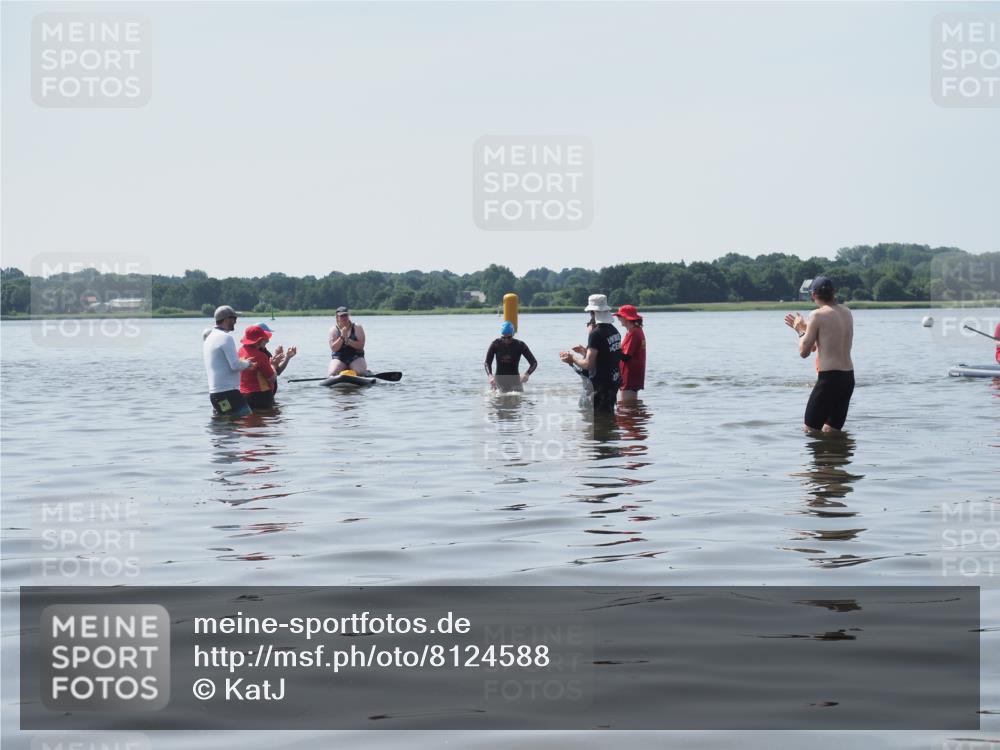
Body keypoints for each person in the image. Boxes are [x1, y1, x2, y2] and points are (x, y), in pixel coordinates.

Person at [784, 276, 855, 433]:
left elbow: (804, 352)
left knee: (810, 431)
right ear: (834, 292)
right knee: (832, 432)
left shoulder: (817, 315)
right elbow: (825, 337)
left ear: (813, 295)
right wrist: (806, 327)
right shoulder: (847, 312)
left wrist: (799, 331)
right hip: (848, 379)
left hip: (829, 380)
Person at [560, 294, 622, 413]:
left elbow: (588, 364)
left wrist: (572, 358)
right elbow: (606, 355)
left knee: (594, 425)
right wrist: (585, 351)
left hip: (599, 387)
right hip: (612, 384)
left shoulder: (596, 334)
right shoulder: (614, 331)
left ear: (593, 312)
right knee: (608, 419)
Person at [203, 305, 256, 417]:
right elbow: (235, 365)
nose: (235, 322)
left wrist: (244, 363)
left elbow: (224, 363)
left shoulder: (210, 337)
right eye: (234, 319)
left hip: (216, 395)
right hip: (229, 394)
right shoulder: (225, 337)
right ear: (227, 319)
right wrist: (248, 364)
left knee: (227, 427)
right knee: (246, 420)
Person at [485, 321, 538, 392]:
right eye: (504, 338)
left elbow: (534, 362)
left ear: (513, 335)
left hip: (515, 382)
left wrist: (527, 374)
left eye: (509, 337)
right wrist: (490, 375)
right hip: (498, 381)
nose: (506, 340)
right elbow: (487, 362)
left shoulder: (520, 345)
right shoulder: (496, 344)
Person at [239, 325, 279, 410]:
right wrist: (273, 366)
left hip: (243, 395)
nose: (267, 340)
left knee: (249, 421)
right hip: (260, 395)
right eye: (264, 339)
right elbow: (271, 378)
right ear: (259, 340)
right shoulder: (260, 355)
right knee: (264, 421)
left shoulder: (240, 351)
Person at [614, 304, 646, 402]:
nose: (618, 319)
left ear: (626, 318)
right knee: (630, 407)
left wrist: (610, 350)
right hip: (634, 374)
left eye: (619, 316)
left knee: (626, 407)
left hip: (629, 376)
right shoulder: (638, 330)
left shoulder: (633, 333)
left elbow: (626, 357)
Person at [328, 306, 368, 376]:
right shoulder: (333, 330)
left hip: (356, 357)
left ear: (348, 316)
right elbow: (334, 348)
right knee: (332, 373)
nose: (344, 318)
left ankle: (358, 369)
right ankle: (344, 368)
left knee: (360, 372)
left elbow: (361, 346)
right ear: (337, 317)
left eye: (345, 315)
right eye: (341, 316)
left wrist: (348, 340)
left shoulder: (357, 327)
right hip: (339, 358)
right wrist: (342, 337)